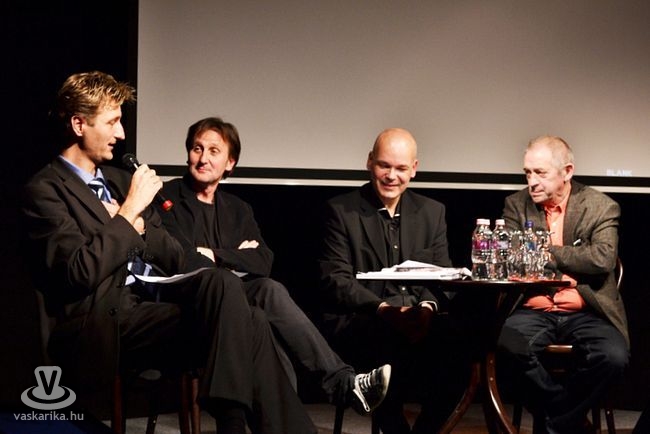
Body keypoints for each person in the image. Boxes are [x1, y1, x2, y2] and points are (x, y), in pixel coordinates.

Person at [21, 71, 317, 434]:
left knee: (232, 295)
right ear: (79, 124)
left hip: (155, 302)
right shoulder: (46, 190)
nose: (121, 134)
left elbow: (173, 254)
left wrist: (141, 228)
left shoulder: (118, 180)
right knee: (246, 317)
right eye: (112, 122)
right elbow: (78, 272)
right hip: (106, 319)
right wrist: (129, 214)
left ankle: (242, 422)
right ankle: (233, 423)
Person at [160, 116, 391, 415]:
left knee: (268, 298)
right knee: (263, 310)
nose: (203, 158)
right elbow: (180, 258)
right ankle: (342, 385)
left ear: (230, 163)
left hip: (240, 307)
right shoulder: (166, 197)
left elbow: (263, 261)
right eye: (197, 148)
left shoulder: (238, 209)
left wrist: (214, 254)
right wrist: (234, 255)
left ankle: (339, 386)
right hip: (191, 308)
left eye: (214, 151)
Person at [317, 128, 470, 434]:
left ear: (414, 169)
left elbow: (442, 274)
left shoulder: (432, 212)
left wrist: (425, 309)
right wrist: (385, 310)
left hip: (418, 318)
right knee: (384, 343)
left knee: (464, 348)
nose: (391, 176)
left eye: (400, 168)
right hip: (365, 318)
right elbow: (335, 279)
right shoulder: (341, 210)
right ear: (369, 162)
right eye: (384, 166)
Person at [498, 135, 630, 434]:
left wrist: (546, 253)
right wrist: (571, 267)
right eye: (527, 173)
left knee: (612, 357)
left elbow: (602, 259)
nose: (532, 182)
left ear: (567, 171)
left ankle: (554, 424)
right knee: (504, 348)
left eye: (540, 173)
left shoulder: (600, 206)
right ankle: (571, 420)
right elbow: (512, 261)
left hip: (586, 309)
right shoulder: (516, 206)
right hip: (533, 308)